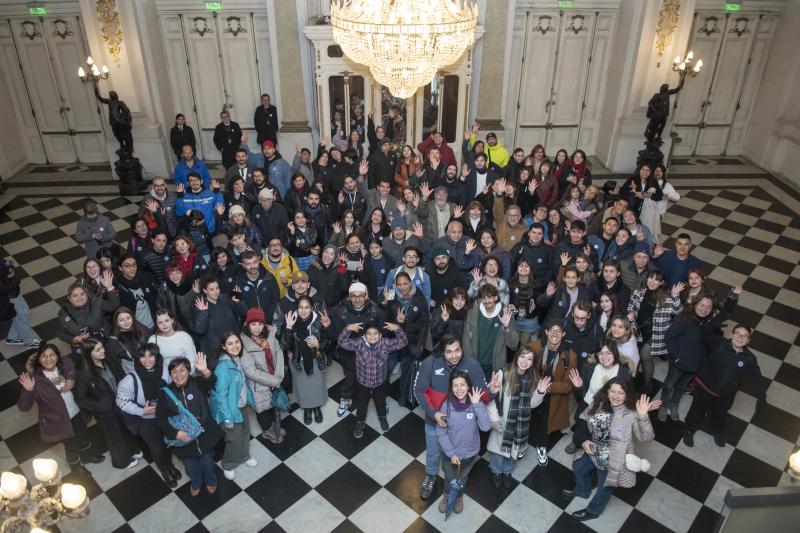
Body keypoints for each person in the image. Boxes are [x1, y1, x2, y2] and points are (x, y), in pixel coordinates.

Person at [563, 378, 658, 521]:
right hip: (593, 450)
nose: (616, 396)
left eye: (621, 393)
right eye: (613, 391)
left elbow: (646, 437)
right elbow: (584, 418)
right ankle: (583, 491)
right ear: (607, 392)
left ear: (627, 395)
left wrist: (643, 417)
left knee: (604, 488)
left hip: (614, 459)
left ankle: (593, 511)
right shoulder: (599, 403)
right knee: (579, 467)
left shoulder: (631, 414)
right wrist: (584, 441)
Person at [414, 335, 488, 500]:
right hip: (435, 422)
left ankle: (455, 486)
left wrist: (493, 391)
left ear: (462, 349)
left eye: (457, 350)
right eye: (449, 352)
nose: (454, 355)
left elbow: (482, 393)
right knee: (433, 453)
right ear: (442, 352)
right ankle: (431, 476)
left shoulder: (472, 365)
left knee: (457, 457)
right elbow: (418, 391)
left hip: (463, 424)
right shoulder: (430, 363)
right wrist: (434, 413)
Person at [17, 344, 105, 471]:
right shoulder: (35, 380)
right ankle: (76, 468)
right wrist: (28, 390)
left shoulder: (64, 367)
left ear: (58, 357)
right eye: (44, 356)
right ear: (39, 359)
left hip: (76, 413)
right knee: (71, 445)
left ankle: (87, 456)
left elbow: (70, 363)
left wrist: (71, 378)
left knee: (83, 435)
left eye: (52, 355)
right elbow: (24, 407)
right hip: (58, 421)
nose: (48, 359)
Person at [660, 290, 738, 422]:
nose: (704, 309)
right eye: (702, 305)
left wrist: (733, 297)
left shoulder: (709, 323)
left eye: (708, 307)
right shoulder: (684, 318)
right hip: (678, 363)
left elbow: (725, 314)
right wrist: (677, 356)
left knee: (681, 387)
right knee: (669, 384)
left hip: (695, 365)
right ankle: (664, 405)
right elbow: (669, 337)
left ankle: (674, 405)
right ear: (695, 304)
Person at [683, 324, 766, 448]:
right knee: (697, 410)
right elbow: (705, 332)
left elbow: (756, 376)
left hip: (726, 394)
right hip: (705, 388)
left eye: (744, 336)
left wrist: (762, 395)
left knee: (720, 414)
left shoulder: (749, 358)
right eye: (737, 333)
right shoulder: (718, 343)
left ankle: (716, 430)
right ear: (731, 334)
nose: (740, 337)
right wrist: (722, 315)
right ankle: (689, 429)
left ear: (748, 340)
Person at [156, 354, 222, 496]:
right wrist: (175, 434)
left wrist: (205, 371)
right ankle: (196, 483)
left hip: (204, 434)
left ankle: (211, 481)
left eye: (182, 370)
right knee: (190, 466)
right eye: (174, 372)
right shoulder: (165, 393)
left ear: (188, 371)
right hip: (183, 438)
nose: (178, 375)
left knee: (207, 463)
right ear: (170, 374)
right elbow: (160, 419)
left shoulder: (197, 383)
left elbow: (211, 382)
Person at [486, 347, 552, 489]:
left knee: (514, 451)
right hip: (503, 420)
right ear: (517, 356)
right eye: (523, 357)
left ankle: (507, 472)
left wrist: (540, 392)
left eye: (529, 359)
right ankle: (496, 471)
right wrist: (494, 418)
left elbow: (531, 405)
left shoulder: (533, 377)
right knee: (498, 450)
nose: (525, 361)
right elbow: (491, 398)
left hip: (521, 423)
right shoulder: (503, 373)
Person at [115, 344, 180, 487]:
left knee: (167, 444)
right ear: (138, 358)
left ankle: (170, 466)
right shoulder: (131, 379)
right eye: (143, 356)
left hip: (165, 416)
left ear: (157, 357)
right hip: (146, 421)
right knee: (156, 447)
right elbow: (121, 402)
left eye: (151, 355)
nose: (147, 360)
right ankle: (165, 471)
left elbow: (173, 389)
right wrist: (141, 411)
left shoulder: (164, 371)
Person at [74, 338, 142, 469]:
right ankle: (122, 461)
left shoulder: (109, 359)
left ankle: (133, 450)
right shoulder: (83, 374)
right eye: (98, 350)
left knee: (127, 429)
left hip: (122, 405)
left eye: (102, 347)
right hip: (106, 413)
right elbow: (81, 398)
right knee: (115, 437)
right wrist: (100, 406)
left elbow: (121, 375)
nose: (102, 351)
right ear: (89, 354)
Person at [435, 370, 492, 514]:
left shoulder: (475, 404)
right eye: (455, 385)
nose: (459, 389)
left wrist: (477, 404)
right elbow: (441, 432)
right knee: (449, 477)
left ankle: (459, 497)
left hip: (469, 454)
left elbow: (485, 427)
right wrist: (451, 453)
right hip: (449, 454)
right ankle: (447, 495)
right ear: (451, 387)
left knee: (462, 477)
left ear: (468, 387)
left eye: (462, 385)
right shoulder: (446, 406)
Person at [338, 321, 407, 437]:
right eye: (369, 334)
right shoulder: (359, 343)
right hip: (363, 382)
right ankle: (360, 421)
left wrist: (397, 329)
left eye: (375, 333)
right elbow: (342, 342)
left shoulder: (385, 343)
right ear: (364, 336)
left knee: (380, 402)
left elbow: (403, 342)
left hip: (380, 382)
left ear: (380, 335)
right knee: (361, 404)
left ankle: (382, 417)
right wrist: (348, 329)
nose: (372, 336)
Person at [565, 340, 633, 453]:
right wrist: (579, 386)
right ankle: (577, 442)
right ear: (597, 355)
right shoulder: (589, 368)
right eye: (601, 353)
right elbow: (580, 396)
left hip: (608, 410)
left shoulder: (624, 373)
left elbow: (627, 396)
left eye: (608, 353)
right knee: (581, 427)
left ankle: (595, 446)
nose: (604, 356)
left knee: (600, 432)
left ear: (615, 354)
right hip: (587, 405)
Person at [208, 332, 257, 480]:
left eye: (237, 342)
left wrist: (249, 399)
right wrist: (228, 419)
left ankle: (244, 456)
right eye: (230, 343)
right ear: (224, 347)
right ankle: (228, 464)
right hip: (228, 410)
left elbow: (241, 383)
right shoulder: (223, 367)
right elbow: (220, 396)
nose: (235, 346)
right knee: (233, 438)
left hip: (239, 406)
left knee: (245, 432)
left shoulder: (236, 359)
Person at [528, 320, 577, 466]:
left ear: (563, 334)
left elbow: (568, 385)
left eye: (558, 331)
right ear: (546, 332)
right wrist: (536, 387)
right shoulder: (534, 347)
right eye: (552, 330)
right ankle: (522, 442)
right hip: (533, 390)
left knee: (545, 421)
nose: (555, 333)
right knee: (528, 417)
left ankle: (542, 446)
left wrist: (546, 388)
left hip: (552, 396)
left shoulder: (570, 355)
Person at [627, 270, 684, 392]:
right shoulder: (639, 292)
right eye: (650, 278)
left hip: (656, 333)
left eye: (656, 279)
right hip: (638, 330)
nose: (652, 281)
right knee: (635, 355)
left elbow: (679, 312)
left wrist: (675, 295)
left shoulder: (667, 297)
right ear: (646, 278)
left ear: (661, 283)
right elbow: (631, 307)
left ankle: (648, 384)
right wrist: (630, 317)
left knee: (645, 357)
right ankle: (632, 379)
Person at [240, 308, 286, 443]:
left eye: (260, 324)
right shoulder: (243, 343)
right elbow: (250, 371)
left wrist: (278, 375)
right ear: (247, 325)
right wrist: (274, 380)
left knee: (273, 406)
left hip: (274, 377)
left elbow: (278, 352)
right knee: (263, 410)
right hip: (259, 384)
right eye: (253, 324)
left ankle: (275, 428)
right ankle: (269, 432)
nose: (257, 328)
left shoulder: (270, 334)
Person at [284, 296, 331, 425]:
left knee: (316, 385)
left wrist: (318, 344)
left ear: (311, 308)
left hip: (315, 359)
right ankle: (307, 409)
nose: (303, 311)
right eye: (300, 307)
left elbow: (329, 344)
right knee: (302, 387)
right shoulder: (291, 320)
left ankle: (316, 408)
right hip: (297, 361)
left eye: (307, 307)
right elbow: (285, 346)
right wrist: (288, 328)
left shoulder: (318, 321)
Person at [57, 274, 119, 350]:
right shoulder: (64, 313)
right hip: (85, 348)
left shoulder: (95, 302)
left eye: (82, 294)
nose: (79, 297)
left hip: (106, 339)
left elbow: (112, 306)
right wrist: (73, 339)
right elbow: (60, 332)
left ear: (86, 295)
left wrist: (110, 288)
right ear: (69, 298)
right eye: (75, 295)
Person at [193, 276, 247, 355]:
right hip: (215, 351)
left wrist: (239, 301)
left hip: (233, 346)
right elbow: (200, 330)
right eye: (211, 289)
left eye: (217, 288)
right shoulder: (201, 305)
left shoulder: (226, 298)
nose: (216, 292)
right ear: (205, 291)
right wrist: (203, 313)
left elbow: (243, 312)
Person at [1, 260, 40, 348]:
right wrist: (16, 281)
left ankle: (12, 337)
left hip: (14, 293)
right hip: (8, 297)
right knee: (21, 317)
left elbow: (9, 265)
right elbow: (2, 289)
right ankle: (28, 342)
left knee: (23, 313)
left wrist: (12, 272)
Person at [148, 309, 196, 377]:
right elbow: (150, 362)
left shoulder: (184, 336)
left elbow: (192, 360)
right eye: (160, 322)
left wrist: (183, 376)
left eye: (167, 320)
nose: (164, 324)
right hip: (164, 377)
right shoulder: (153, 340)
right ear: (157, 324)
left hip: (185, 375)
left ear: (172, 320)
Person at [639, 164, 679, 242]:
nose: (658, 173)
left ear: (663, 173)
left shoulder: (667, 185)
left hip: (658, 213)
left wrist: (668, 195)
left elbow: (677, 197)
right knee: (642, 229)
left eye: (660, 171)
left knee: (652, 233)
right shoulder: (648, 181)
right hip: (644, 210)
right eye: (656, 170)